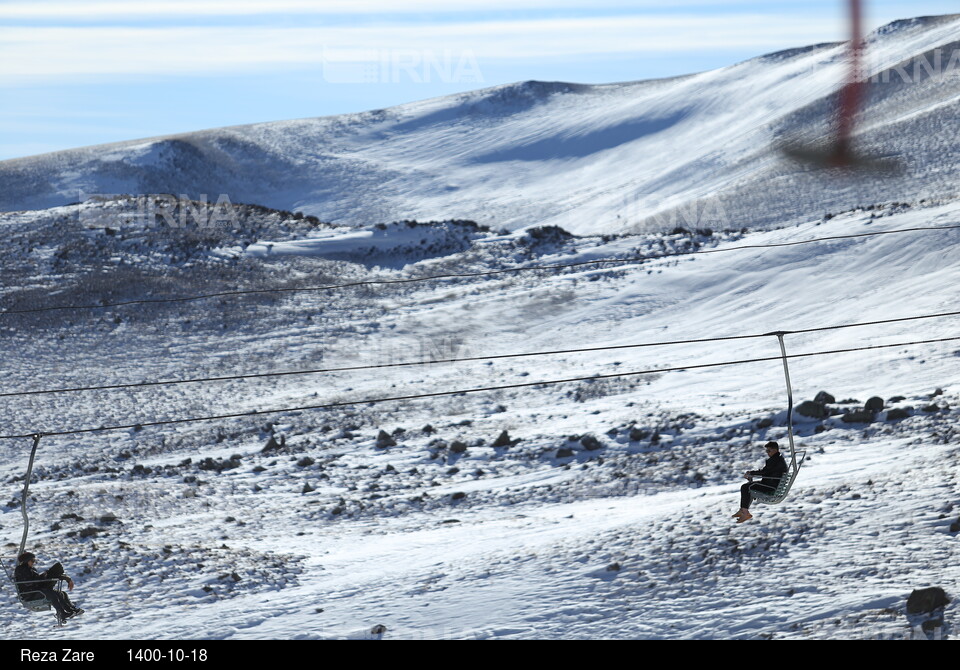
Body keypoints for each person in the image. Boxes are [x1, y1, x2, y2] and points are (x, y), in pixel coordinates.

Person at [14, 552, 84, 624]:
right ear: (26, 560)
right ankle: (61, 613)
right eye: (32, 561)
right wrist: (41, 579)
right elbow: (28, 582)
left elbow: (36, 580)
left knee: (60, 593)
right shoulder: (21, 570)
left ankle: (70, 610)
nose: (33, 562)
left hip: (35, 591)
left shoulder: (31, 569)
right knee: (51, 594)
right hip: (29, 594)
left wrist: (45, 577)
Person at [734, 441, 788, 523]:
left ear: (775, 450)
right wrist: (752, 474)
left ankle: (745, 512)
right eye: (767, 451)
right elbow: (766, 472)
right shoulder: (778, 459)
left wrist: (751, 473)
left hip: (771, 486)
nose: (767, 453)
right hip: (771, 483)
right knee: (749, 486)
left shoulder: (775, 460)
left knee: (746, 487)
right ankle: (743, 510)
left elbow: (764, 472)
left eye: (769, 451)